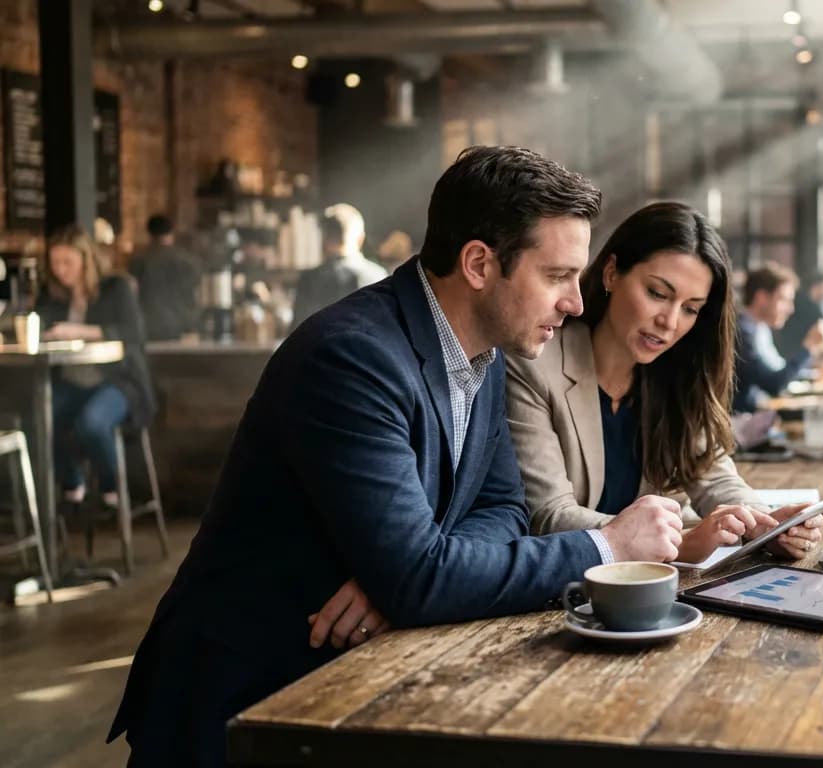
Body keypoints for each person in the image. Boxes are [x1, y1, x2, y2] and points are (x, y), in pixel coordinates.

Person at [109, 146, 684, 767]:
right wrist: (610, 549)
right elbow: (420, 576)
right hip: (240, 701)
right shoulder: (352, 357)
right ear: (478, 264)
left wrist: (413, 576)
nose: (575, 302)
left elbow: (502, 508)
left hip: (351, 679)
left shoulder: (486, 350)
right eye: (556, 276)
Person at [506, 202, 823, 563]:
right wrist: (680, 544)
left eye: (690, 308)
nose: (670, 322)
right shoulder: (535, 364)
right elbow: (548, 516)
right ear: (611, 273)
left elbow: (715, 478)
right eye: (657, 293)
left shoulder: (676, 373)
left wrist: (764, 525)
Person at [34, 225, 157, 509]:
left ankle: (112, 488)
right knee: (39, 420)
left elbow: (133, 332)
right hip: (73, 382)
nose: (61, 270)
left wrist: (77, 331)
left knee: (92, 424)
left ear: (86, 260)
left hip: (118, 381)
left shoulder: (116, 288)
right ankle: (72, 482)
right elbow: (37, 324)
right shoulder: (51, 295)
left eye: (68, 262)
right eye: (55, 263)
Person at [732, 262, 823, 413]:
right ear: (761, 298)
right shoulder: (742, 333)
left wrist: (815, 373)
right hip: (742, 426)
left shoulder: (760, 329)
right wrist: (809, 346)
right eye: (783, 300)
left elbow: (780, 371)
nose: (790, 309)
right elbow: (774, 384)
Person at [290, 203, 389, 328]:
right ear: (360, 239)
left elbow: (297, 332)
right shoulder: (379, 276)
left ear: (325, 239)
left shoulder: (309, 280)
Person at [128, 214, 200, 341]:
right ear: (172, 232)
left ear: (149, 233)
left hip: (148, 326)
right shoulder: (187, 260)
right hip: (182, 326)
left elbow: (132, 293)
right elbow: (196, 293)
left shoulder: (138, 261)